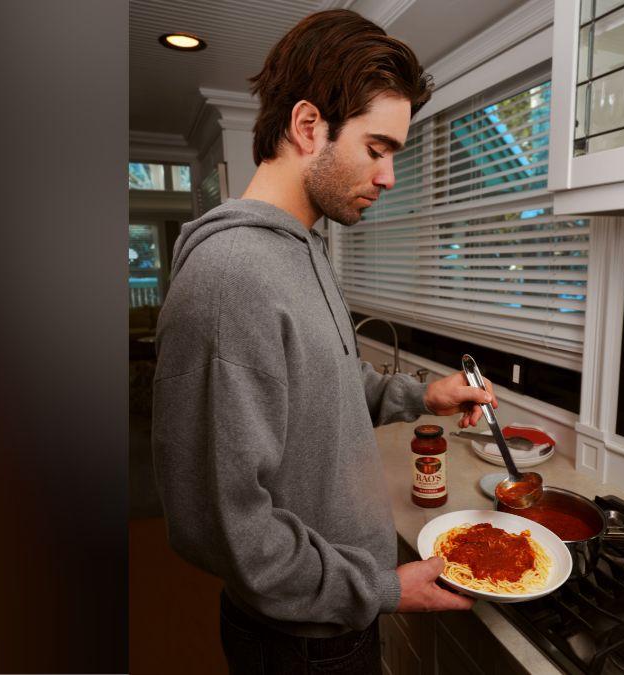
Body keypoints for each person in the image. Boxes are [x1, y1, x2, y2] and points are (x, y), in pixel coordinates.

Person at [152, 9, 499, 673]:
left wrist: (426, 393)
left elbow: (327, 389)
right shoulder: (231, 280)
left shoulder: (304, 252)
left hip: (335, 616)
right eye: (377, 149)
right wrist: (381, 588)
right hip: (300, 642)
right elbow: (223, 526)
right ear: (309, 126)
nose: (389, 177)